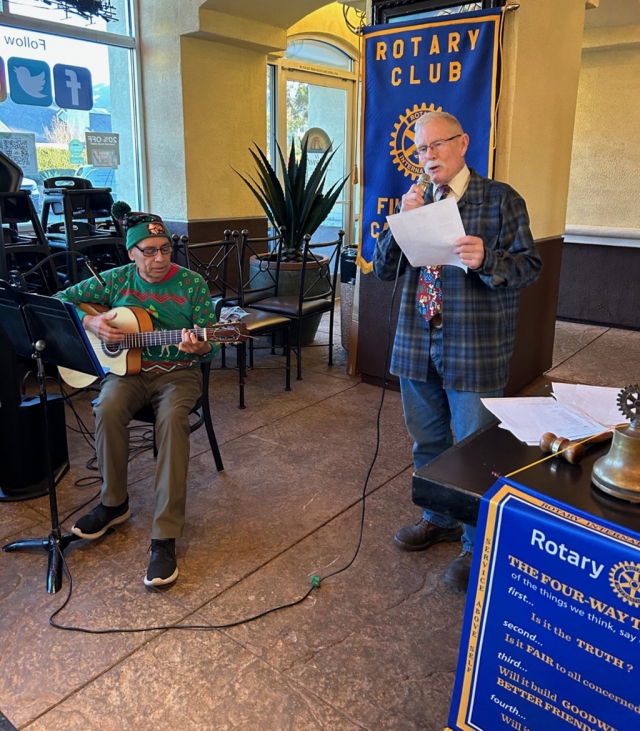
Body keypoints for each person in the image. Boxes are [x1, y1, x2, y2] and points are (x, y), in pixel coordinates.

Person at [374, 111, 542, 592]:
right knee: (428, 441)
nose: (428, 157)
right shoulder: (415, 199)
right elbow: (386, 270)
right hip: (416, 340)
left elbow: (530, 267)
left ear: (463, 143)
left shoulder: (500, 199)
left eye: (437, 145)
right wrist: (398, 222)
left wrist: (487, 258)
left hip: (474, 345)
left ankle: (476, 542)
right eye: (420, 150)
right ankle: (439, 517)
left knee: (473, 449)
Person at [56, 204, 245, 588]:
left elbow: (209, 341)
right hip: (129, 372)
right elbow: (60, 300)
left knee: (173, 420)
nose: (160, 259)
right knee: (106, 405)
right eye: (149, 251)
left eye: (165, 249)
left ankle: (165, 534)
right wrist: (93, 321)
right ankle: (114, 503)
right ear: (131, 253)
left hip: (178, 374)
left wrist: (200, 346)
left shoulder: (191, 284)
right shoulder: (115, 281)